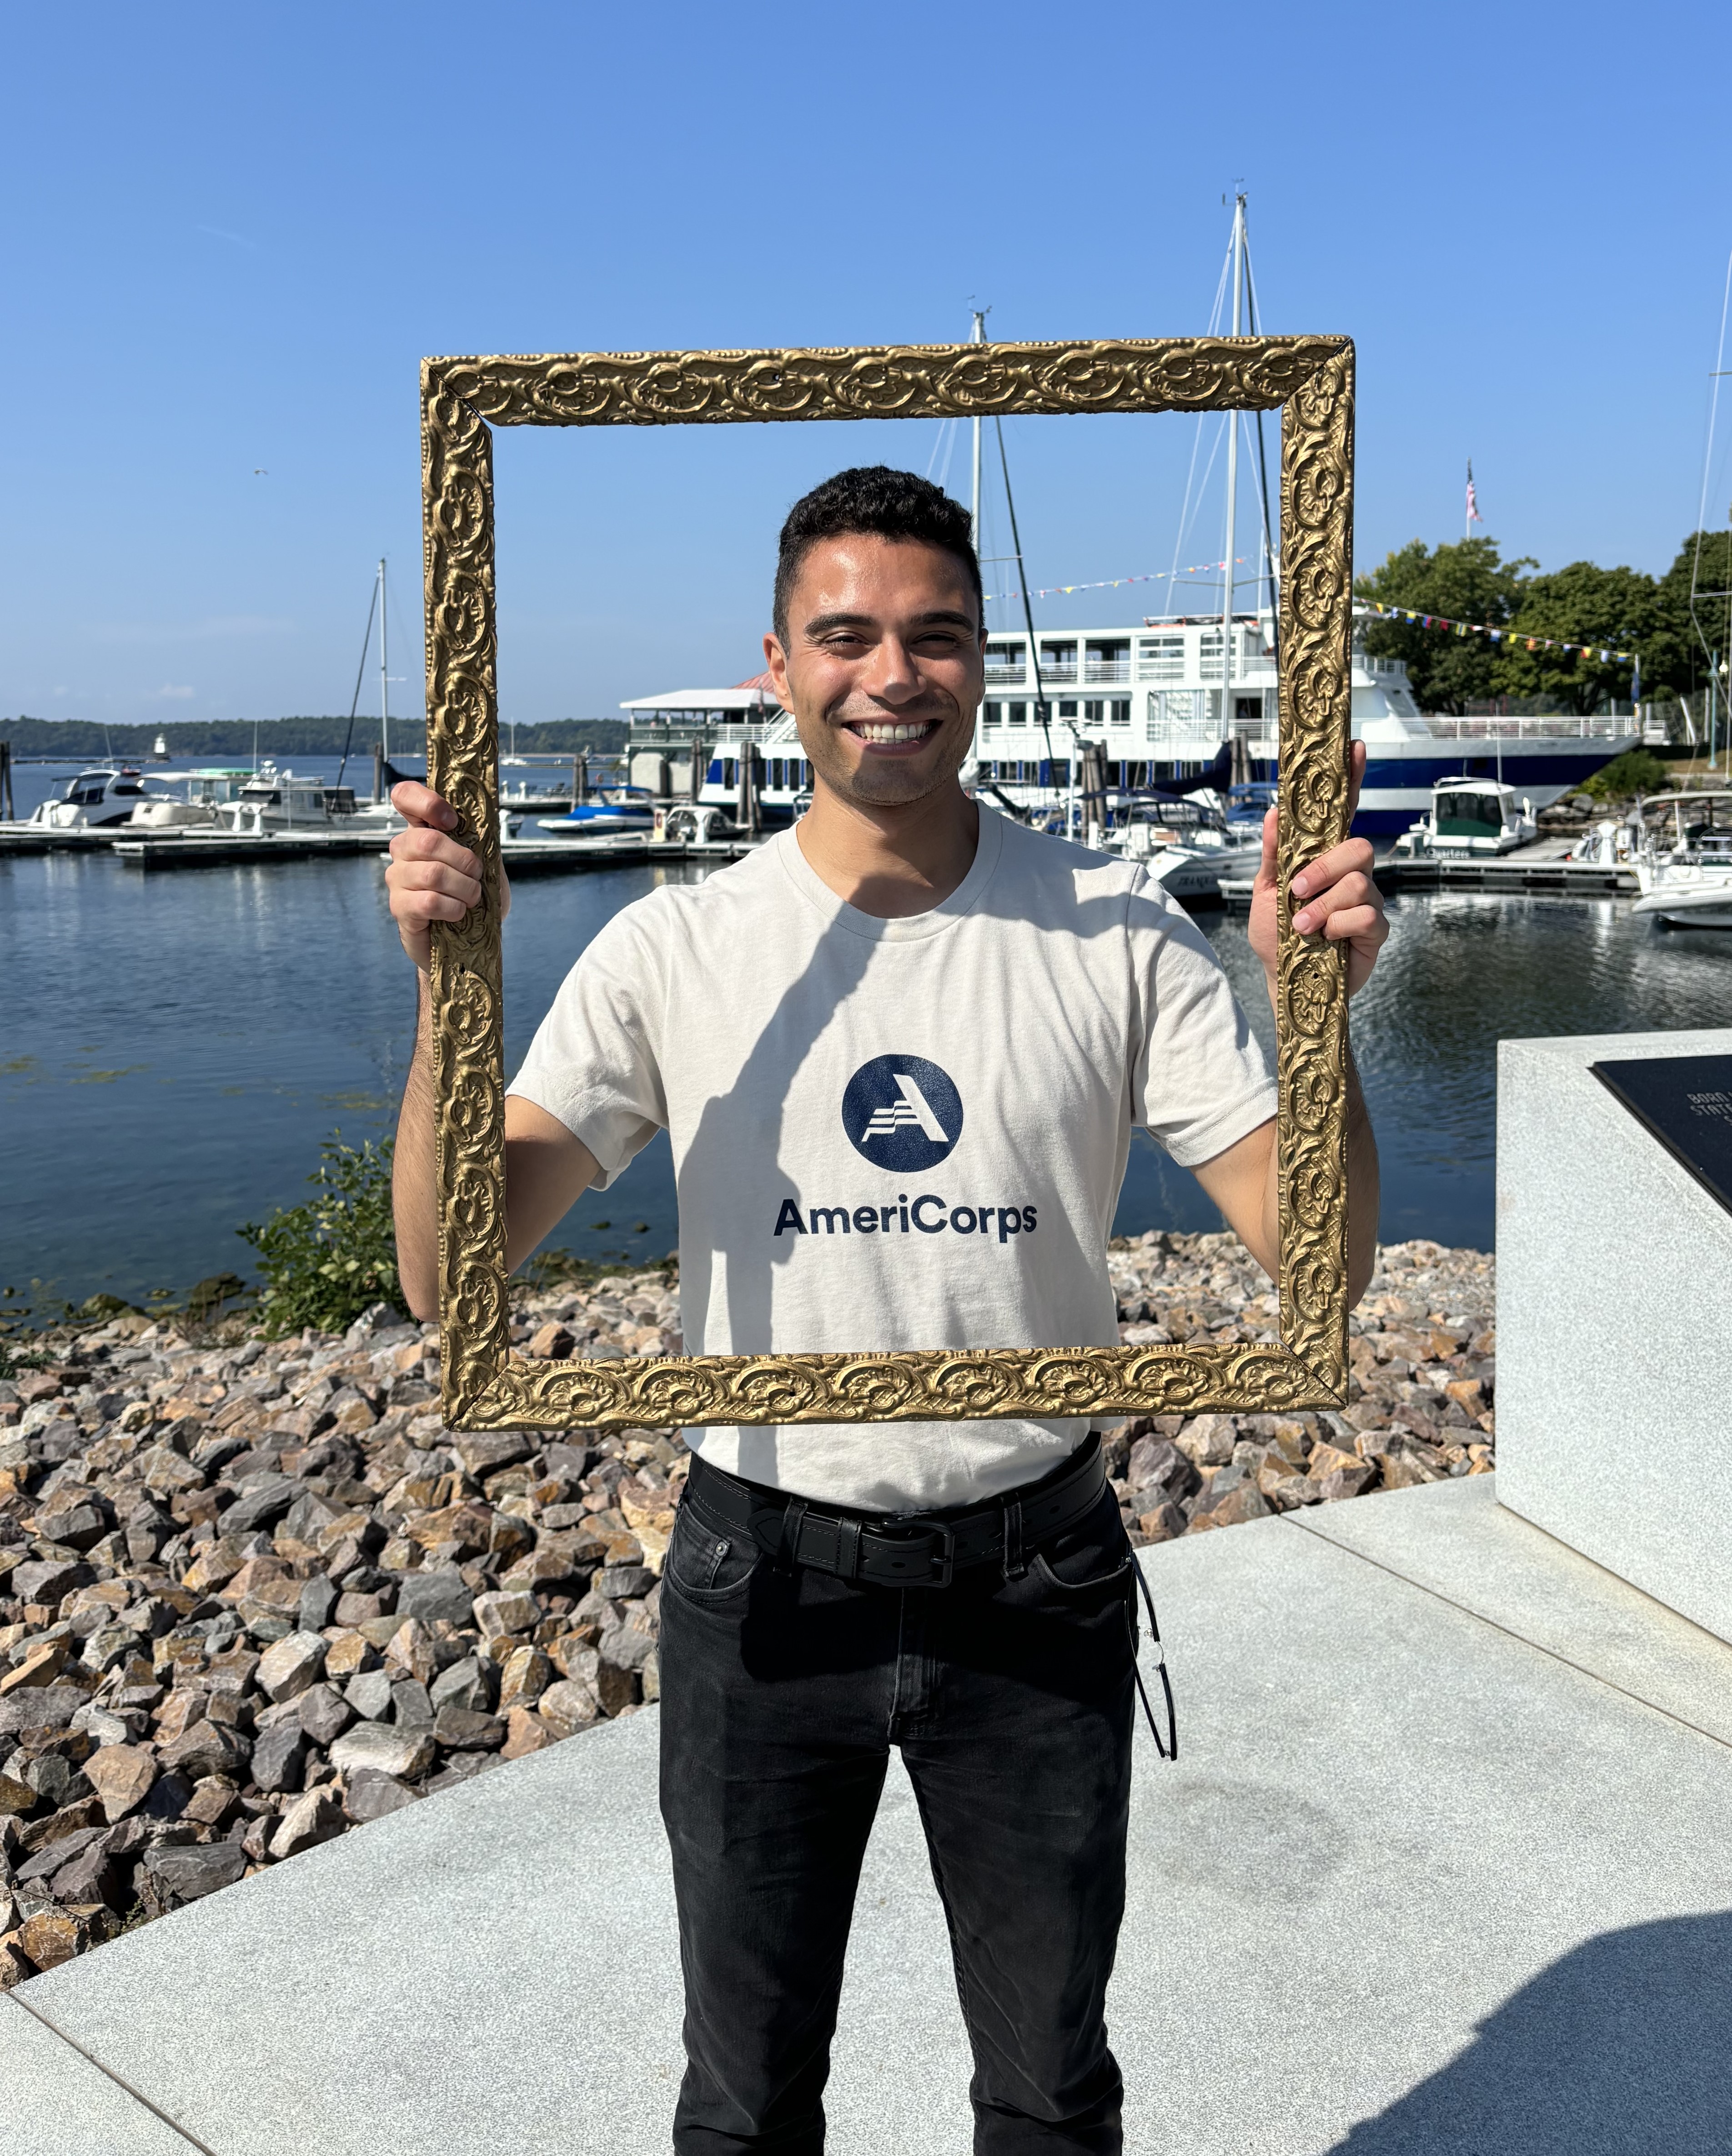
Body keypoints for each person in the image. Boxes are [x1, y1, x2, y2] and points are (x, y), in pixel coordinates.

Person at [386, 466, 1388, 2154]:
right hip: (758, 1577)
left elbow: (1323, 1267)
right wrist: (445, 998)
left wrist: (1318, 1013)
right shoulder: (671, 947)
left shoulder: (1118, 931)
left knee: (1051, 2090)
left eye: (933, 636)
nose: (890, 674)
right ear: (773, 664)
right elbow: (447, 1276)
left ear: (983, 661)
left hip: (1038, 1572)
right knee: (746, 2096)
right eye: (843, 635)